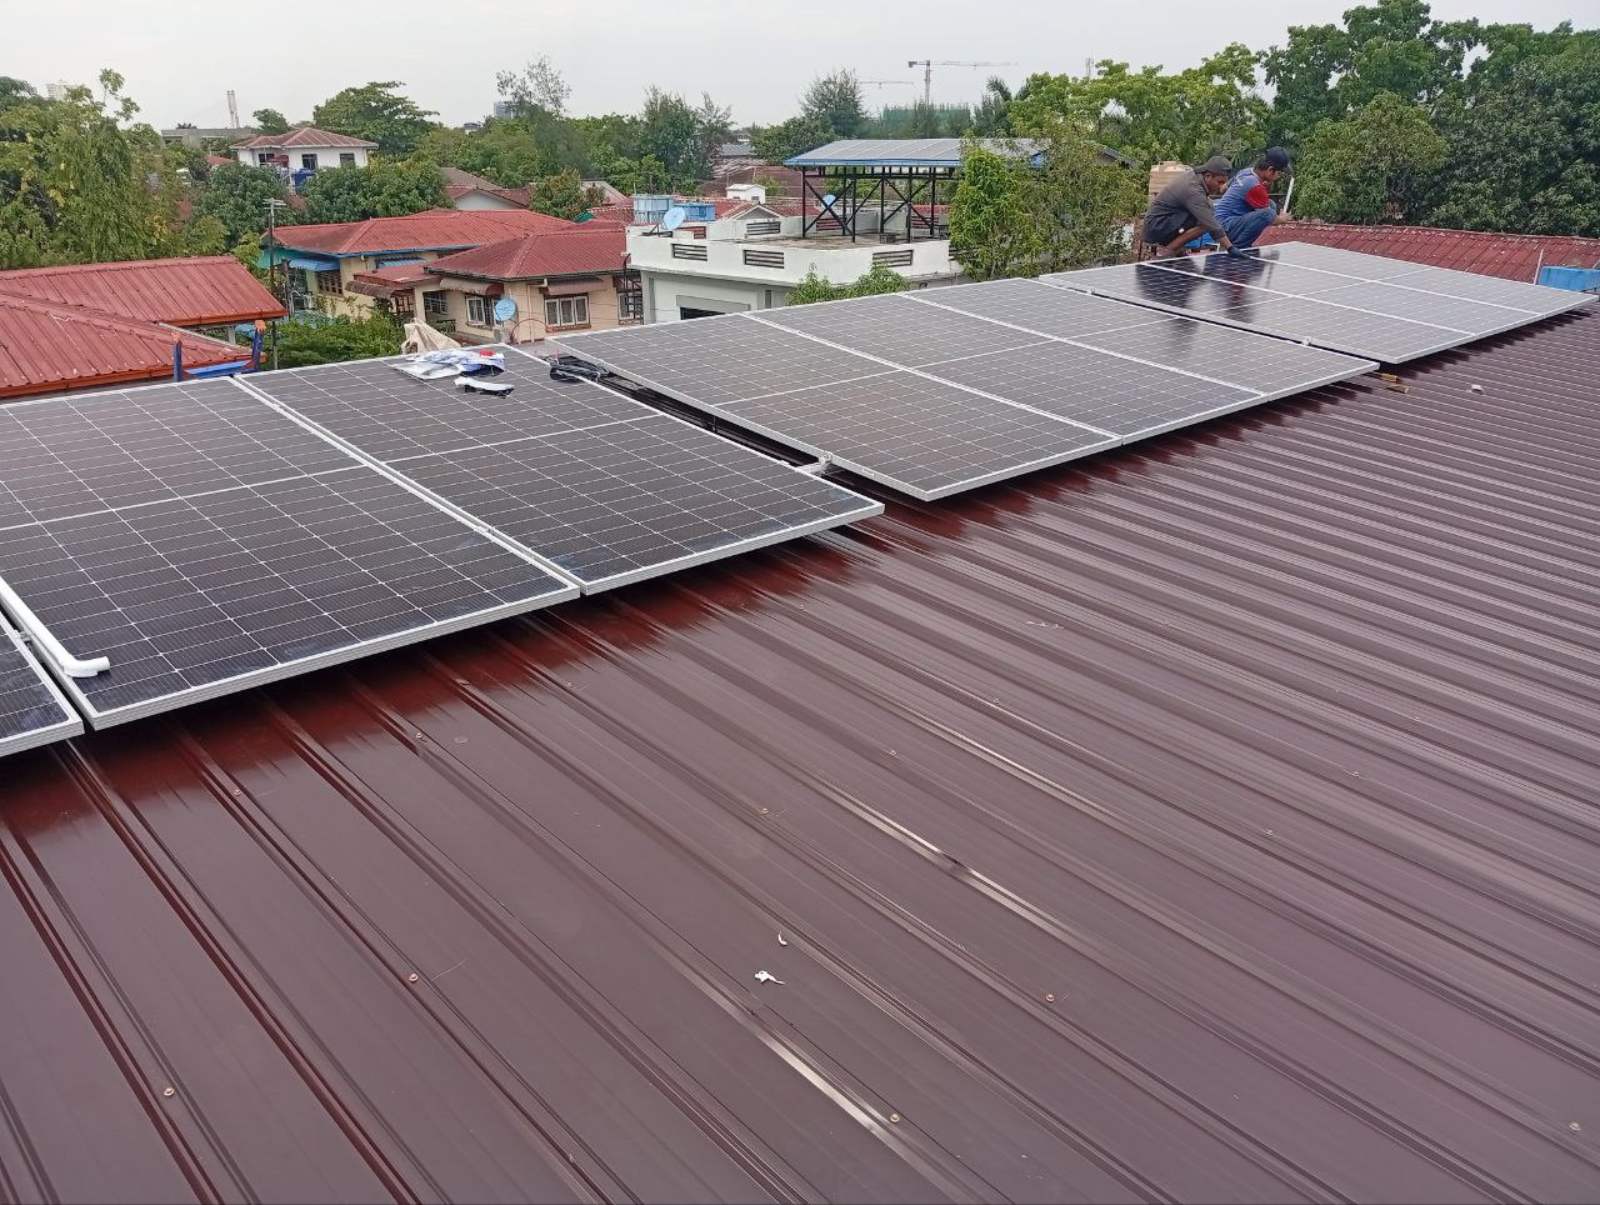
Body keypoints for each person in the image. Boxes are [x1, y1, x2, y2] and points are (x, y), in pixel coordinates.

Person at [1141, 156, 1234, 258]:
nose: (1221, 187)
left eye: (1224, 183)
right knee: (1206, 223)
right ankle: (1167, 251)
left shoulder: (1196, 177)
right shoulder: (1193, 189)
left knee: (1209, 210)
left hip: (1164, 222)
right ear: (1208, 176)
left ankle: (1176, 248)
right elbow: (1210, 223)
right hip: (1156, 227)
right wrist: (1230, 248)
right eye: (1219, 182)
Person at [1213, 147, 1291, 249]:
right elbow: (1271, 218)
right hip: (1225, 227)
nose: (1278, 177)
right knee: (1267, 213)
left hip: (1218, 223)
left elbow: (1223, 189)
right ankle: (1239, 247)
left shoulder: (1246, 172)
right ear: (1270, 170)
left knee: (1270, 204)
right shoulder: (1255, 186)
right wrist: (1283, 219)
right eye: (1279, 173)